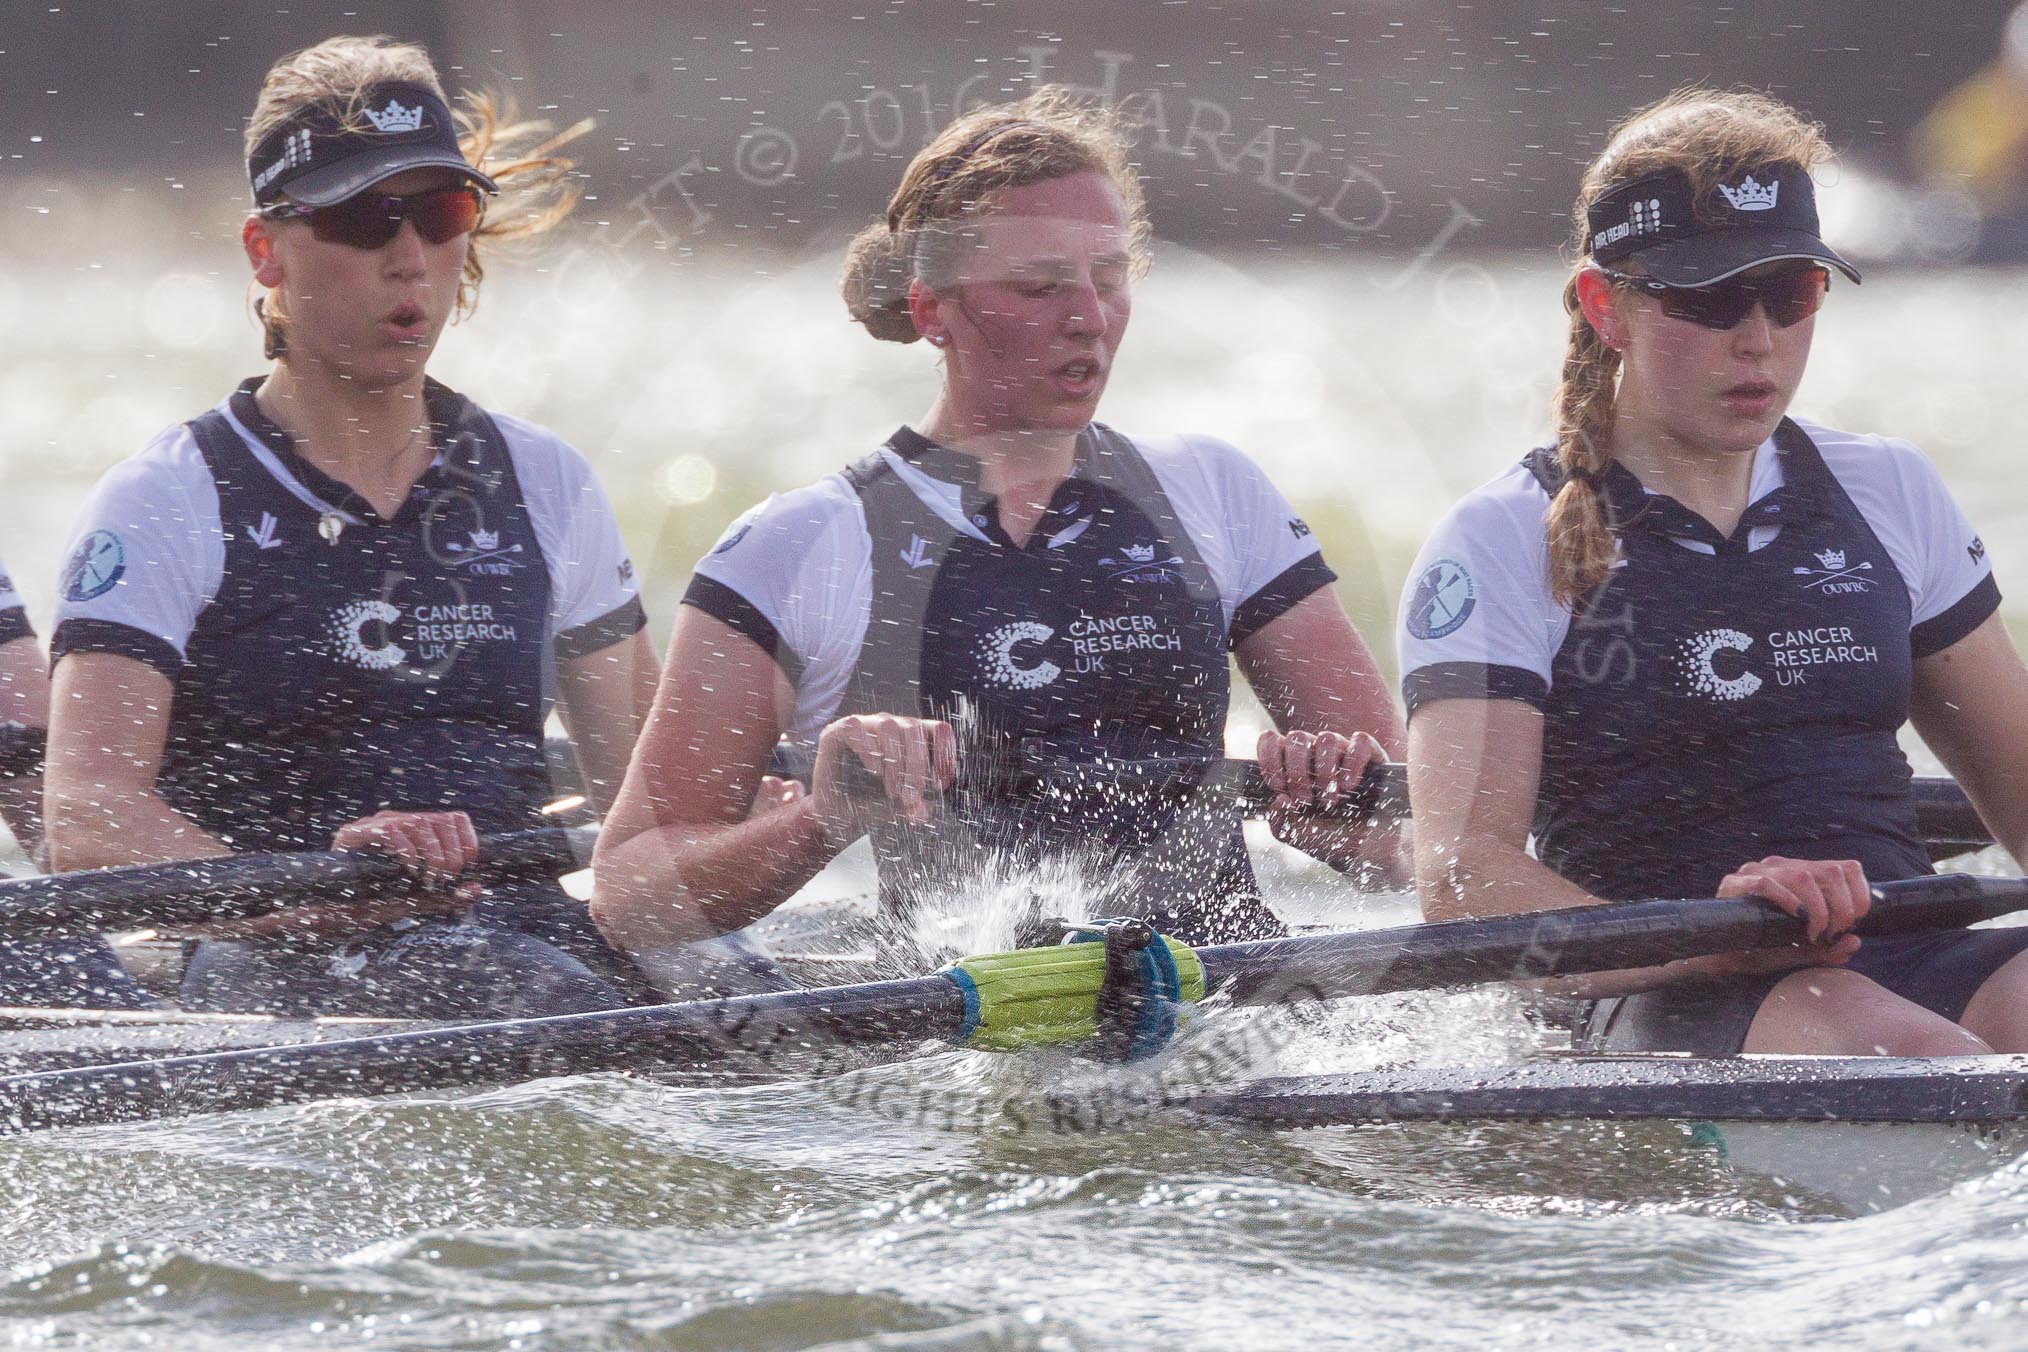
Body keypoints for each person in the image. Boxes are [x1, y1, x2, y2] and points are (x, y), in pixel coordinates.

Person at [592, 89, 1407, 980]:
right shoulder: (799, 546)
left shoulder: (1216, 490)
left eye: (1109, 277)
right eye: (1039, 285)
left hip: (1224, 1007)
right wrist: (817, 821)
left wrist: (1345, 823)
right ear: (933, 310)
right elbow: (630, 890)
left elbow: (1419, 842)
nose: (1090, 318)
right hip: (967, 1046)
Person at [1398, 87, 2028, 1058]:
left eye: (1790, 293)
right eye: (1710, 297)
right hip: (1662, 991)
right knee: (1923, 1055)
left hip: (1909, 949)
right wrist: (1708, 940)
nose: (1758, 339)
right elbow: (1460, 876)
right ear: (1607, 305)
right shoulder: (1499, 540)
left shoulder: (1889, 489)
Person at [43, 35, 658, 1017]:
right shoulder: (168, 498)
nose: (409, 257)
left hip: (526, 950)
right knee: (523, 991)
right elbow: (85, 819)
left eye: (438, 213)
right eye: (364, 218)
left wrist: (822, 807)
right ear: (265, 250)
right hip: (274, 969)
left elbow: (654, 806)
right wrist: (303, 895)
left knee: (601, 987)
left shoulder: (549, 482)